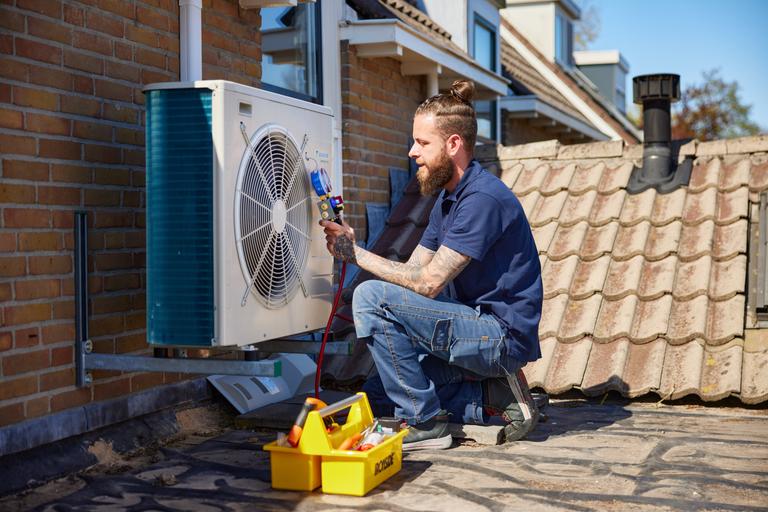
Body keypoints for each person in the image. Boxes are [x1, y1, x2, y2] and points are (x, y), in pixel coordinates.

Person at [320, 79, 543, 451]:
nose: (411, 152)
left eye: (422, 143)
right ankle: (492, 400)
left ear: (453, 144)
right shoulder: (447, 200)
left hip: (499, 337)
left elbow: (428, 283)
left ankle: (426, 423)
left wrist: (354, 253)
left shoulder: (482, 199)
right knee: (378, 396)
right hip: (472, 325)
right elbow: (411, 274)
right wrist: (352, 253)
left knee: (371, 297)